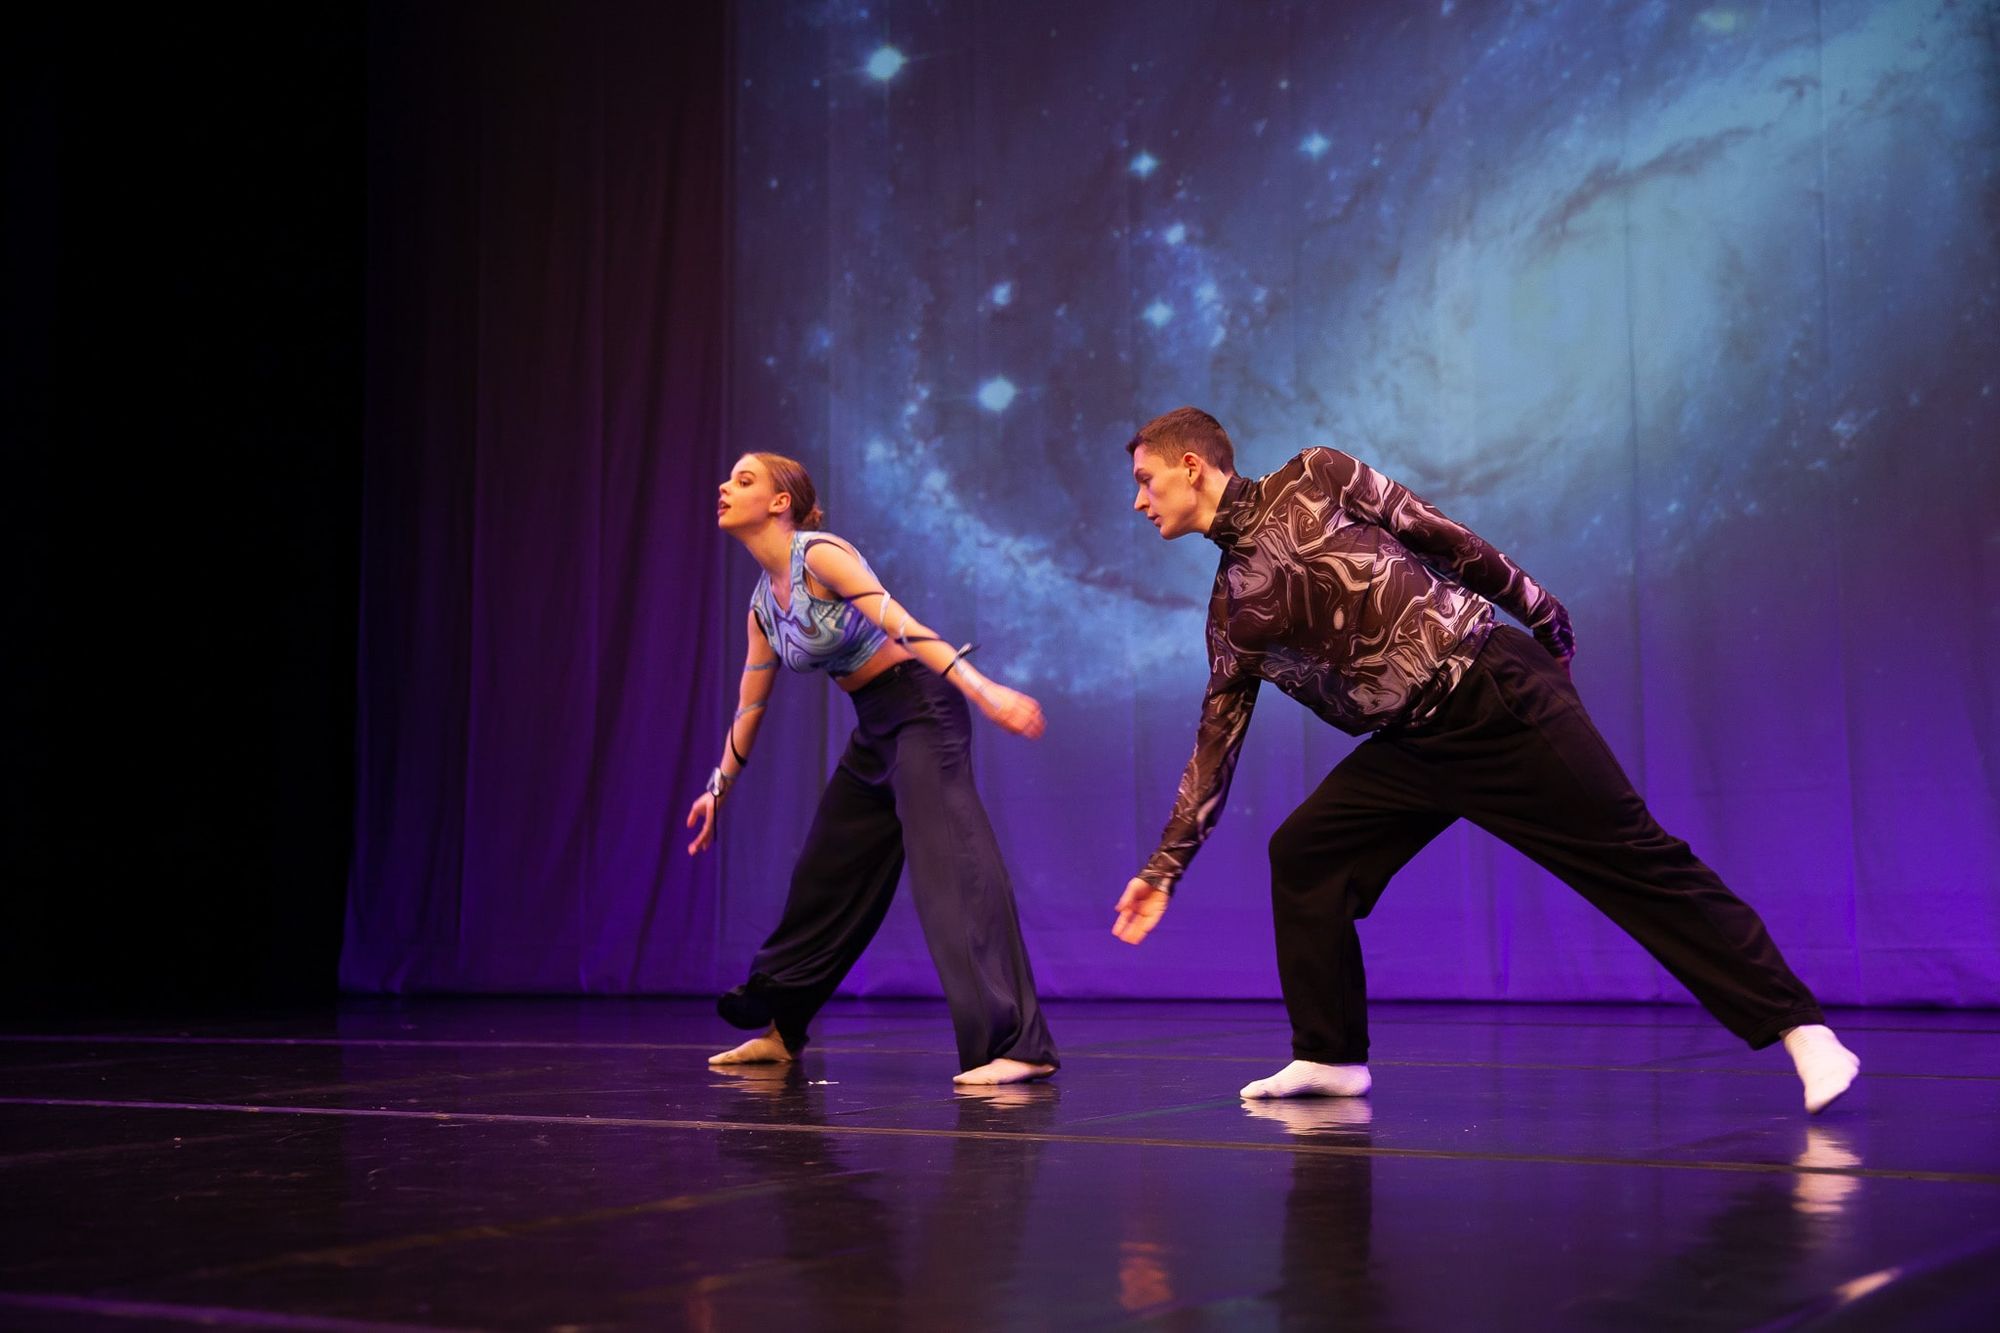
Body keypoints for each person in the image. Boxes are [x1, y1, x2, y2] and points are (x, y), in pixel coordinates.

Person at [1110, 408, 1858, 1114]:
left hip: (1489, 689)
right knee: (1306, 853)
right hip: (1411, 746)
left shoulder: (1315, 475)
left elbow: (1441, 536)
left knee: (1637, 860)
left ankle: (1802, 1030)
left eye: (1146, 480)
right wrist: (1164, 867)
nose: (1139, 502)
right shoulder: (1230, 610)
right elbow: (1217, 742)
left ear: (1192, 464)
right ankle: (1331, 1055)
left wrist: (1540, 611)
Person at [687, 451, 1058, 1086]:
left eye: (744, 480)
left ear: (781, 503)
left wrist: (981, 687)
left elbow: (904, 626)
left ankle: (1017, 1044)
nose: (724, 486)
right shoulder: (762, 608)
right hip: (875, 725)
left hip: (923, 707)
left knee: (949, 872)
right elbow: (749, 708)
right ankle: (783, 1029)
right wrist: (716, 789)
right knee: (824, 874)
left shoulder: (820, 554)